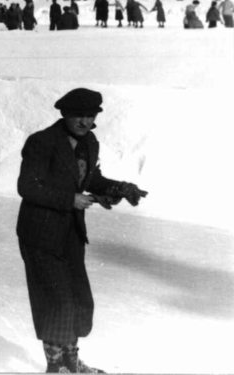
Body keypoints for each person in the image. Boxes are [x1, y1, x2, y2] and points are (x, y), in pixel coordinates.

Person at [16, 88, 148, 374]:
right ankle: (56, 367)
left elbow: (90, 177)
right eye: (78, 116)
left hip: (70, 231)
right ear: (64, 114)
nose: (84, 122)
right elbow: (28, 186)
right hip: (40, 232)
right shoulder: (42, 142)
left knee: (78, 299)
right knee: (58, 301)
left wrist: (119, 188)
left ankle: (71, 363)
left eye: (90, 116)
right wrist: (69, 199)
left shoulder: (89, 142)